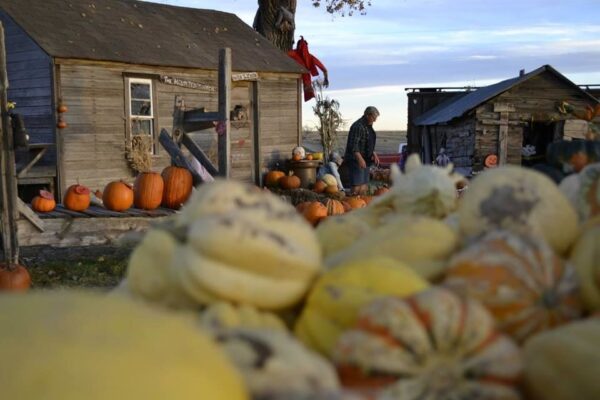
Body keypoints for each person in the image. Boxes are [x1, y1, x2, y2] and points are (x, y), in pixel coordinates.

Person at [344, 106, 380, 195]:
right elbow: (354, 145)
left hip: (365, 159)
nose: (375, 120)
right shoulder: (358, 126)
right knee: (357, 186)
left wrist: (374, 153)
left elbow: (368, 142)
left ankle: (362, 204)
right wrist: (360, 159)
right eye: (374, 117)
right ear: (367, 115)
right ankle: (354, 205)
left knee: (364, 185)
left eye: (376, 118)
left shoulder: (368, 126)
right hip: (355, 159)